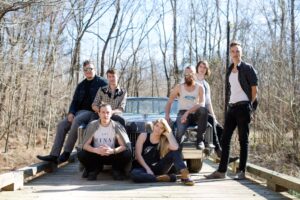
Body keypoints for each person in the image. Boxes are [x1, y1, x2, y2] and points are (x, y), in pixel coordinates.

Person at [205, 41, 258, 180]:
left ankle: (242, 171)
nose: (235, 54)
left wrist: (250, 107)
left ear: (241, 53)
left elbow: (254, 90)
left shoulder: (247, 68)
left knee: (243, 140)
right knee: (224, 138)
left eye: (238, 51)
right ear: (230, 54)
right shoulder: (229, 69)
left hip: (243, 107)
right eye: (233, 51)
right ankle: (222, 171)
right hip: (232, 107)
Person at [37, 60, 107, 163]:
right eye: (86, 69)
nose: (88, 71)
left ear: (94, 69)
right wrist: (71, 113)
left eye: (90, 69)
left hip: (93, 113)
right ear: (84, 71)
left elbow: (107, 100)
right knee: (62, 124)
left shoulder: (102, 83)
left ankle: (66, 153)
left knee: (77, 120)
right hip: (78, 112)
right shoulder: (81, 85)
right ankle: (54, 155)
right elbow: (74, 101)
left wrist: (101, 110)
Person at [195, 60, 239, 163]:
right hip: (195, 112)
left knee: (220, 129)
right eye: (200, 66)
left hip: (206, 111)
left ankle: (224, 156)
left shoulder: (206, 84)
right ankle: (218, 152)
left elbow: (208, 102)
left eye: (204, 67)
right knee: (209, 118)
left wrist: (214, 117)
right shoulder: (193, 80)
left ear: (206, 70)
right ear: (197, 67)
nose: (202, 69)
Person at [130, 118, 194, 186]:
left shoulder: (164, 140)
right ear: (153, 125)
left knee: (174, 153)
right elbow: (138, 155)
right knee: (135, 175)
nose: (158, 129)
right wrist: (148, 169)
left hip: (158, 167)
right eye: (157, 126)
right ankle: (163, 178)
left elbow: (175, 148)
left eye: (161, 128)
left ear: (164, 130)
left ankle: (185, 175)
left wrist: (169, 134)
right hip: (143, 168)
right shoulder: (144, 136)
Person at [77, 104, 132, 181]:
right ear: (99, 113)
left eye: (108, 112)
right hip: (96, 155)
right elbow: (85, 145)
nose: (105, 115)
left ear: (111, 114)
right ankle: (94, 169)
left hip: (112, 155)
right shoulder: (92, 125)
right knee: (81, 153)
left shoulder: (116, 126)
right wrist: (96, 150)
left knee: (127, 153)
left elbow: (124, 146)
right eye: (103, 112)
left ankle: (116, 170)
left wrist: (112, 151)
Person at [165, 66, 208, 150]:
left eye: (190, 73)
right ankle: (177, 150)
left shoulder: (200, 87)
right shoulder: (179, 87)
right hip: (182, 113)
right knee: (179, 132)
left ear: (195, 74)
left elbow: (202, 103)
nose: (188, 75)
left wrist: (187, 112)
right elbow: (169, 101)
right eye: (186, 74)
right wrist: (167, 115)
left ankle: (200, 140)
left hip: (195, 114)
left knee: (203, 110)